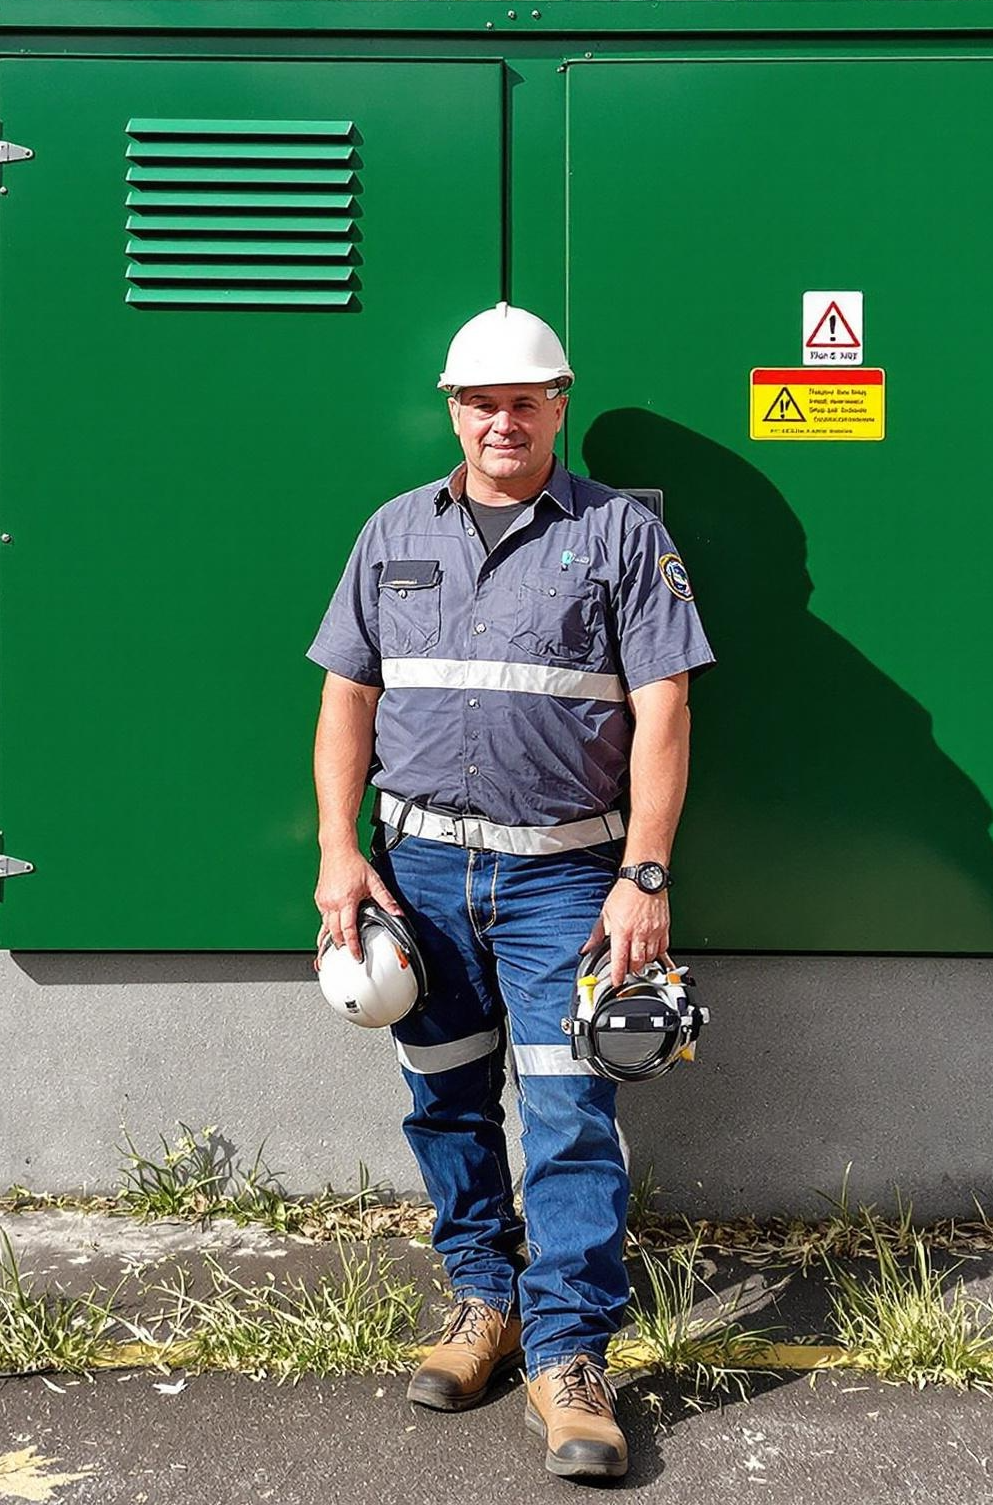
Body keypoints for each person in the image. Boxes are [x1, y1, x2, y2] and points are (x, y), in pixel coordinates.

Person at [308, 303, 713, 1483]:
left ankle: (570, 1353)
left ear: (558, 403)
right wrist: (340, 849)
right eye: (480, 401)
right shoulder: (391, 531)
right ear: (452, 408)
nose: (501, 419)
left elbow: (665, 711)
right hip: (418, 870)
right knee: (442, 1100)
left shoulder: (620, 535)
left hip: (566, 875)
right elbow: (346, 699)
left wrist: (643, 871)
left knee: (571, 1110)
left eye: (522, 399)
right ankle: (481, 1301)